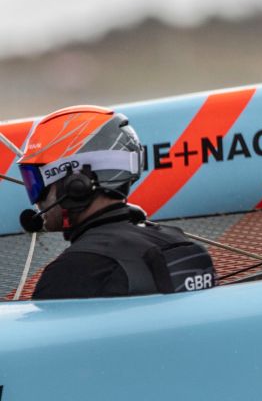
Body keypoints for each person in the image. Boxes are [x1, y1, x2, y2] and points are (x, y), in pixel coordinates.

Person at [17, 105, 216, 299]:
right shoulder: (182, 245)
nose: (37, 202)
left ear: (76, 185)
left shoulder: (72, 272)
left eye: (37, 184)